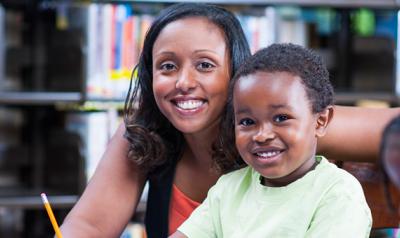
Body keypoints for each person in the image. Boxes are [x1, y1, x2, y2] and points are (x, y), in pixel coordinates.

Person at [59, 3, 400, 238]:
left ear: (237, 74)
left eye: (205, 65)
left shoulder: (285, 127)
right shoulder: (145, 131)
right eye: (167, 66)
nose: (183, 82)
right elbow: (87, 227)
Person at [171, 43, 372, 238]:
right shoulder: (229, 188)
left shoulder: (338, 193)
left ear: (320, 121)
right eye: (247, 121)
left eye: (281, 118)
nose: (262, 135)